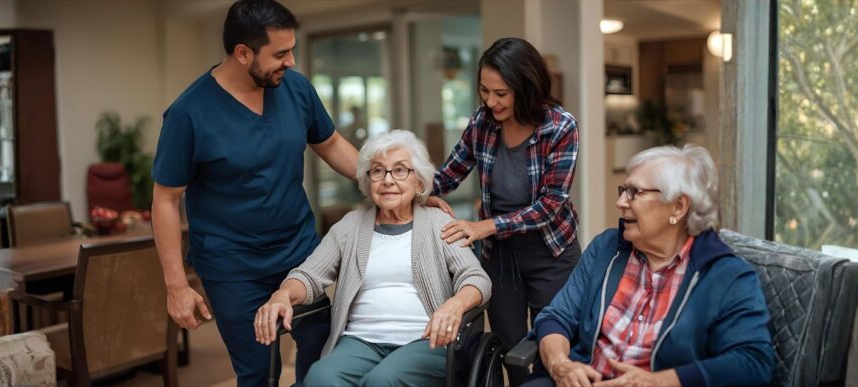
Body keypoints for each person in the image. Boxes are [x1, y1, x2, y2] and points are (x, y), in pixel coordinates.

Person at [149, 1, 359, 385]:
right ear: (242, 53)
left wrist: (389, 184)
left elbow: (331, 145)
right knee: (260, 372)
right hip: (232, 265)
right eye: (280, 53)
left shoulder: (294, 88)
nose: (292, 61)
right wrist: (176, 287)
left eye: (291, 49)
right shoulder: (188, 113)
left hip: (298, 252)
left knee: (323, 361)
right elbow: (165, 199)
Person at [254, 130, 491, 386]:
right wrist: (283, 294)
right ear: (368, 181)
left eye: (400, 170)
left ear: (419, 182)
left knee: (382, 381)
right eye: (378, 171)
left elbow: (476, 278)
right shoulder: (350, 226)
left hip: (425, 341)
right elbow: (309, 275)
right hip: (359, 341)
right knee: (320, 378)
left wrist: (454, 304)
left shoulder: (438, 223)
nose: (388, 180)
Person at [525, 145, 774, 387]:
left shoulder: (727, 275)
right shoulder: (606, 248)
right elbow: (557, 317)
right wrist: (561, 365)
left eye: (634, 192)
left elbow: (753, 362)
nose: (621, 202)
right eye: (623, 190)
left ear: (678, 206)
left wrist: (659, 381)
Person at [430, 37, 581, 384]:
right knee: (511, 352)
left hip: (551, 252)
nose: (490, 101)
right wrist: (412, 190)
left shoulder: (560, 126)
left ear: (526, 87)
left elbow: (551, 204)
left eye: (501, 93)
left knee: (553, 348)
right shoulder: (482, 122)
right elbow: (449, 174)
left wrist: (485, 226)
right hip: (500, 256)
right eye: (485, 90)